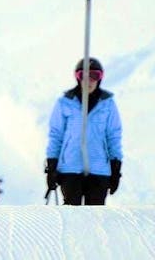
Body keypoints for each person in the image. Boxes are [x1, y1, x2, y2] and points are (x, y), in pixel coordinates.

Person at [45, 57, 123, 206]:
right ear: (77, 77)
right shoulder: (65, 103)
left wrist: (116, 167)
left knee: (95, 214)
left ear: (100, 78)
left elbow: (114, 136)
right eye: (83, 75)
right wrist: (52, 165)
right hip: (70, 169)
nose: (89, 80)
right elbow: (56, 135)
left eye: (94, 75)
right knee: (72, 213)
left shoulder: (108, 104)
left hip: (99, 170)